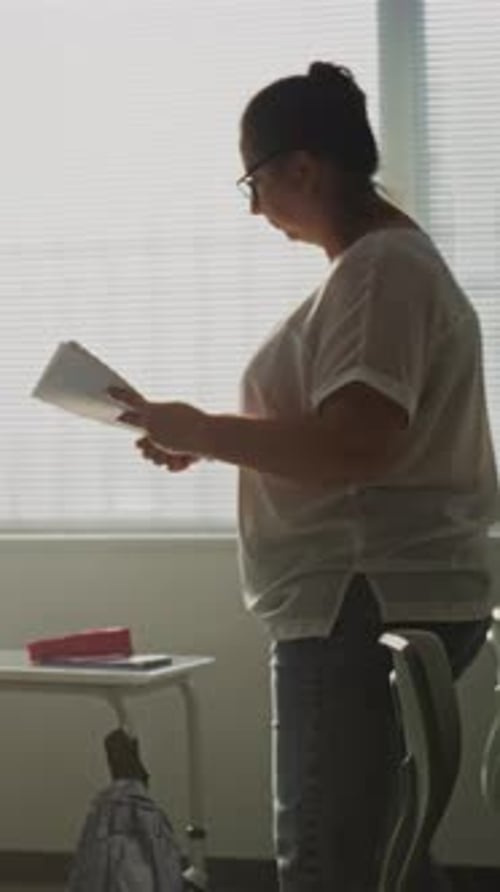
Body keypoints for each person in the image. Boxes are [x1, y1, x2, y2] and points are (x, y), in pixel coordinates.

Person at [108, 62, 499, 892]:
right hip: (378, 594)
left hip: (360, 600)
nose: (255, 209)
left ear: (303, 168)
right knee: (385, 853)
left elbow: (356, 445)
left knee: (329, 860)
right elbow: (348, 439)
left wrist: (202, 428)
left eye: (254, 184)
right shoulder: (381, 267)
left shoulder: (380, 270)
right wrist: (210, 442)